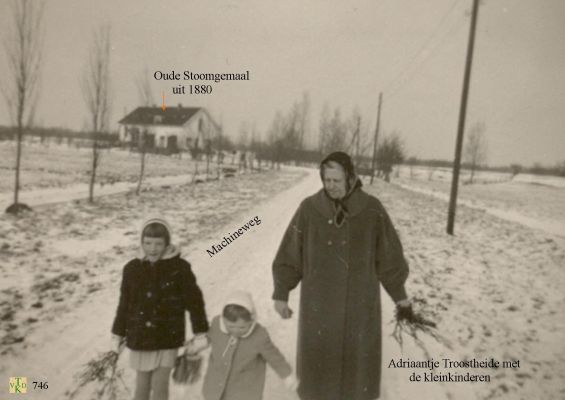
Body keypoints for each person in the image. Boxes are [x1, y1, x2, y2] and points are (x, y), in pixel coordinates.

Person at [272, 151, 412, 400]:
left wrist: (400, 296)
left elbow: (389, 257)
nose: (331, 186)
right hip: (319, 309)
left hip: (358, 309)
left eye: (336, 180)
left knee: (356, 376)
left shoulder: (371, 210)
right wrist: (281, 293)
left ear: (350, 178)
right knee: (318, 373)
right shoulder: (309, 209)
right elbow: (289, 254)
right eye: (326, 180)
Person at [111, 217, 209, 400]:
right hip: (140, 337)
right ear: (141, 242)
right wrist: (117, 333)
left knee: (160, 384)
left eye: (158, 243)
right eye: (147, 243)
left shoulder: (180, 268)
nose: (152, 248)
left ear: (167, 243)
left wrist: (200, 332)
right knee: (142, 384)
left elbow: (194, 301)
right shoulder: (132, 269)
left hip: (168, 336)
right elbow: (124, 303)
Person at [201, 290, 298, 400]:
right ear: (223, 319)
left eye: (242, 327)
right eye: (231, 326)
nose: (236, 331)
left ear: (251, 321)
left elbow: (274, 356)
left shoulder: (259, 336)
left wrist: (287, 374)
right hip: (216, 386)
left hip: (245, 390)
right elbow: (210, 336)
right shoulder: (216, 324)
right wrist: (202, 342)